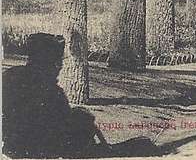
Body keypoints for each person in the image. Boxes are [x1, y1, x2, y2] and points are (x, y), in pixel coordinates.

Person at [2, 33, 158, 158]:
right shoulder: (52, 92)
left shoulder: (9, 77)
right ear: (48, 63)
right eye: (57, 62)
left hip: (13, 147)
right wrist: (82, 119)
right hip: (43, 150)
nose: (60, 67)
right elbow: (59, 129)